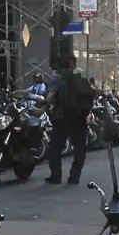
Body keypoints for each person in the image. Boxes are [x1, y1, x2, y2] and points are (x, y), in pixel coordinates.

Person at [44, 53, 97, 185]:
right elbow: (92, 93)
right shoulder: (81, 77)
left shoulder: (56, 78)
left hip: (61, 118)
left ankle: (56, 176)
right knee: (79, 149)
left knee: (55, 149)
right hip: (79, 118)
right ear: (71, 64)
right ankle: (74, 177)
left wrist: (45, 104)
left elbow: (50, 97)